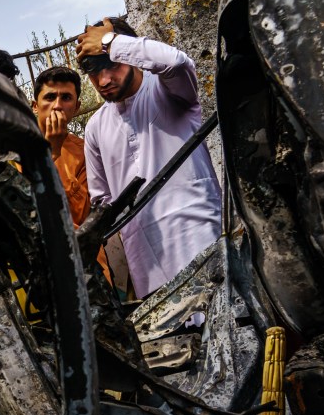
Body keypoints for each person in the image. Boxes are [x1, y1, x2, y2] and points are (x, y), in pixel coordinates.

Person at [76, 17, 221, 298]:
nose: (104, 80)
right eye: (94, 72)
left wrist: (109, 42)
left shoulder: (167, 90)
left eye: (112, 65)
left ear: (127, 54)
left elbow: (177, 63)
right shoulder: (95, 128)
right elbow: (102, 202)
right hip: (147, 265)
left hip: (199, 240)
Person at [31, 66, 111, 283]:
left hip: (86, 267)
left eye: (66, 98)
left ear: (76, 107)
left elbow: (83, 217)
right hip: (38, 271)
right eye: (50, 97)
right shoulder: (17, 148)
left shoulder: (86, 151)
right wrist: (51, 151)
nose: (57, 105)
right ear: (35, 106)